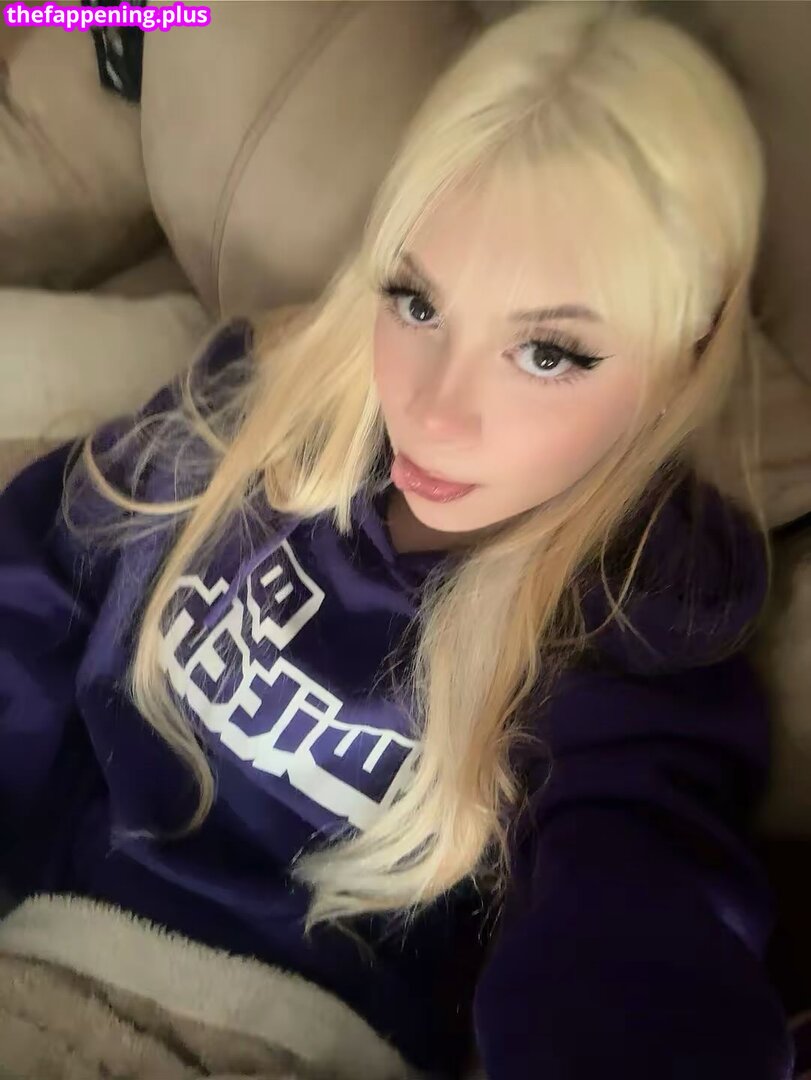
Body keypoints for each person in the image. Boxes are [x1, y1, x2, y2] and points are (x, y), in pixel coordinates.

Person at [0, 2, 796, 1077]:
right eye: (417, 301)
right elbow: (44, 572)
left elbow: (631, 899)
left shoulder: (629, 618)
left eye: (548, 353)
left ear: (680, 356)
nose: (433, 410)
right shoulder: (255, 406)